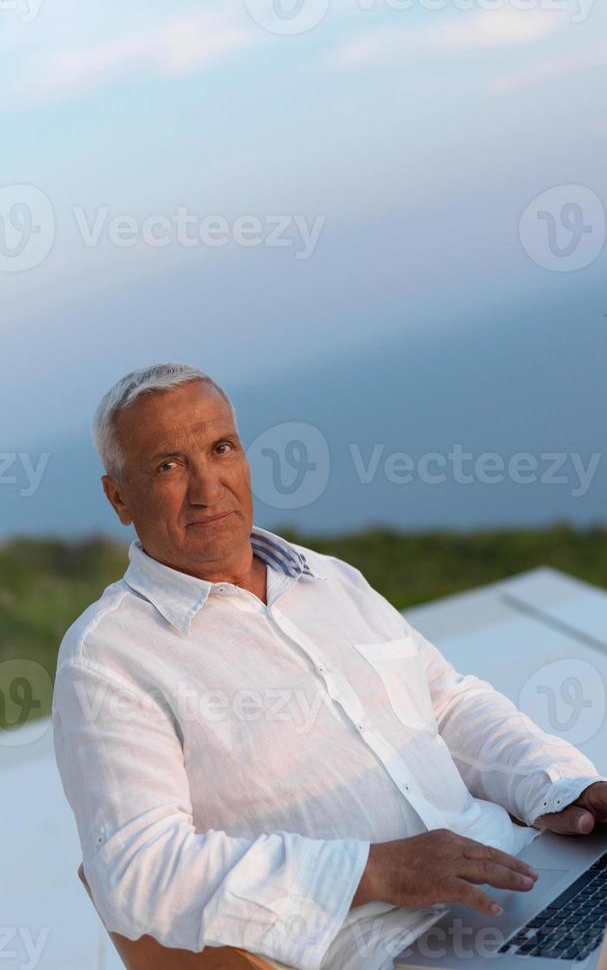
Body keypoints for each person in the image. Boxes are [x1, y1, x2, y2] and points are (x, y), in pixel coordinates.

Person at [52, 362, 607, 970]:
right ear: (119, 497)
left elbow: (447, 705)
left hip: (530, 872)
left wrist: (561, 786)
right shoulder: (108, 658)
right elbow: (137, 871)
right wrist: (373, 870)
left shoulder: (331, 580)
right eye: (168, 465)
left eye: (220, 448)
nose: (208, 487)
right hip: (402, 943)